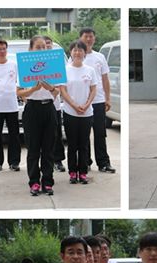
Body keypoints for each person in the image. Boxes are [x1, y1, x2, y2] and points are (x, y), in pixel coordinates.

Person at [18, 35, 59, 196]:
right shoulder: (24, 66)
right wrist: (33, 90)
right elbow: (19, 92)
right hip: (32, 109)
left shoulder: (53, 65)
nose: (42, 50)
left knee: (48, 149)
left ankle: (47, 182)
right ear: (31, 49)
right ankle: (34, 182)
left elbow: (57, 92)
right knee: (33, 149)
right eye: (38, 47)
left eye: (44, 47)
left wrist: (51, 88)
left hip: (49, 108)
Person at [59, 40, 97, 185]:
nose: (77, 53)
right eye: (75, 50)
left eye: (80, 50)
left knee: (84, 144)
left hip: (87, 113)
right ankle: (72, 172)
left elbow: (93, 89)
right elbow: (63, 90)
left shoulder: (90, 70)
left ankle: (83, 172)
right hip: (70, 112)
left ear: (84, 53)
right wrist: (74, 106)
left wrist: (87, 105)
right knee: (72, 144)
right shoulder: (65, 70)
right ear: (71, 52)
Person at [80, 27, 116, 173]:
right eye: (86, 36)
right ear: (81, 38)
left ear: (94, 38)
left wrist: (108, 98)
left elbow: (105, 79)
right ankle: (85, 162)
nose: (89, 39)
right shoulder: (76, 57)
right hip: (82, 103)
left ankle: (103, 163)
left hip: (98, 101)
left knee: (100, 133)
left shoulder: (100, 57)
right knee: (84, 134)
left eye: (91, 36)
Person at [0, 39, 21, 172]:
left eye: (4, 49)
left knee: (14, 134)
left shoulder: (14, 65)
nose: (2, 51)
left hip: (12, 105)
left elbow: (19, 82)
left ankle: (14, 162)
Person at [44, 35, 66, 172]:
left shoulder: (57, 63)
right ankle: (46, 161)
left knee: (57, 135)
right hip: (39, 106)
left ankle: (58, 160)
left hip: (55, 106)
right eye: (44, 44)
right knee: (43, 137)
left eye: (49, 43)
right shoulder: (34, 62)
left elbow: (60, 86)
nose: (47, 46)